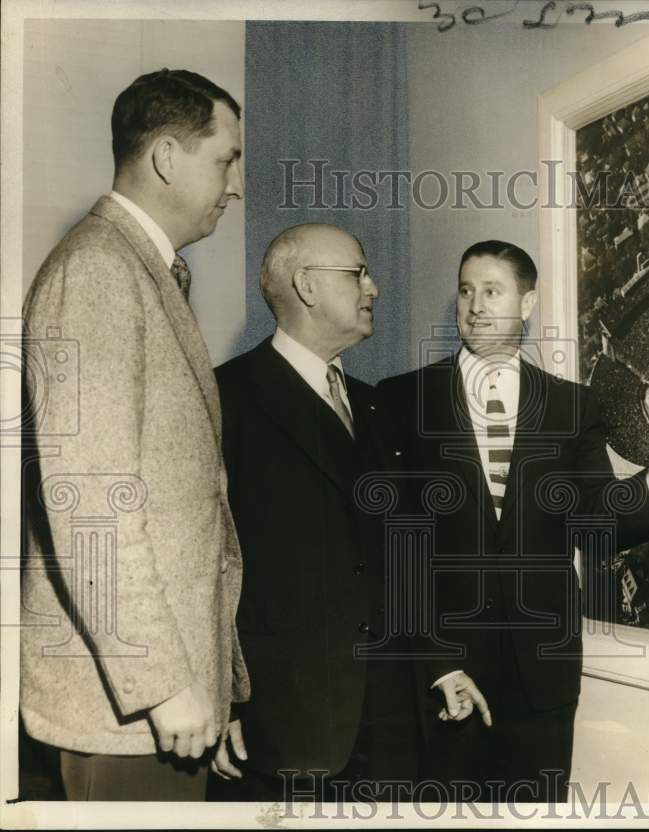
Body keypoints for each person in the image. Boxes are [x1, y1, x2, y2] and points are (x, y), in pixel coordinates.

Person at [377, 240, 649, 802]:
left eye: (492, 291)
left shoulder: (571, 406)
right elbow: (396, 548)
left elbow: (594, 521)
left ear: (527, 304)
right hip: (445, 674)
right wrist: (438, 665)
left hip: (543, 679)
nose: (475, 305)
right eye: (465, 290)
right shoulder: (402, 401)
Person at [20, 69, 248, 800]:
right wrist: (163, 685)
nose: (234, 184)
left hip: (167, 703)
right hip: (128, 710)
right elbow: (89, 502)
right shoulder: (97, 270)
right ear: (166, 159)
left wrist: (214, 682)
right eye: (226, 159)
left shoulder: (141, 270)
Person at [208, 223, 422, 803]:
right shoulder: (225, 398)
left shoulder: (374, 404)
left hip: (387, 726)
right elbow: (205, 563)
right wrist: (220, 699)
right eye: (358, 273)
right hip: (280, 726)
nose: (373, 287)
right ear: (306, 285)